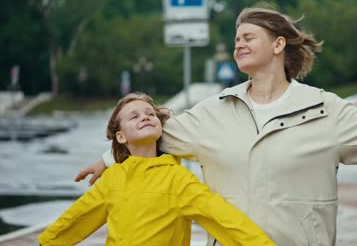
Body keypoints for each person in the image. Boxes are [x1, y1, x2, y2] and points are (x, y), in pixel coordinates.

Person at [75, 7, 357, 246]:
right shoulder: (214, 111)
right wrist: (108, 158)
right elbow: (153, 133)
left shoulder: (323, 108)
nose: (238, 45)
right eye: (235, 40)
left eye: (248, 37)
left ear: (279, 45)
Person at [39, 93, 276, 246]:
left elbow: (223, 218)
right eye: (134, 116)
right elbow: (79, 217)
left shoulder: (177, 179)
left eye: (150, 114)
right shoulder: (113, 178)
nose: (145, 117)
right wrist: (47, 242)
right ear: (121, 136)